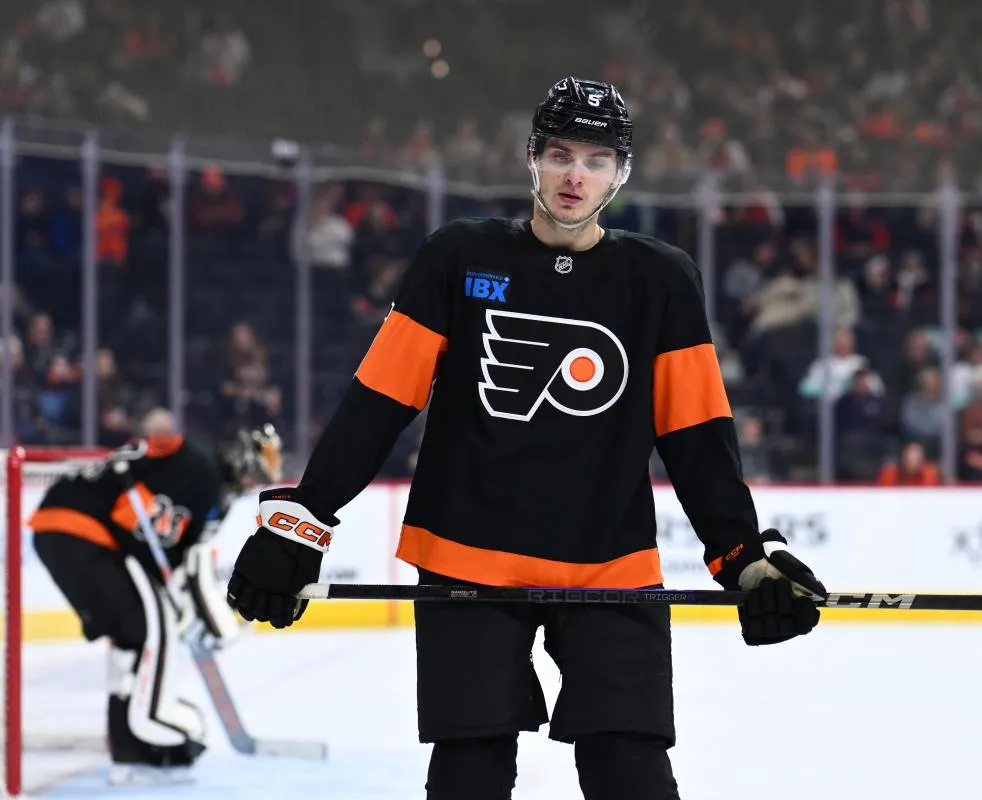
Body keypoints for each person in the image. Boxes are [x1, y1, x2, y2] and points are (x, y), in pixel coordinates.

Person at [226, 77, 825, 800]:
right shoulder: (459, 258)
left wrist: (742, 553)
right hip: (467, 557)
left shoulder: (660, 281)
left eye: (598, 159)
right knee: (469, 774)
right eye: (561, 154)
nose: (577, 175)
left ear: (622, 174)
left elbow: (695, 432)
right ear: (532, 158)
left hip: (609, 565)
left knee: (631, 772)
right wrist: (308, 514)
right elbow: (381, 399)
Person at [29, 410, 282, 785]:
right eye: (259, 466)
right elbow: (153, 447)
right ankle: (141, 735)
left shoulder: (214, 496)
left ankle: (128, 743)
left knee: (133, 635)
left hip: (78, 532)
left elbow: (180, 556)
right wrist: (218, 624)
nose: (256, 479)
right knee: (145, 629)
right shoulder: (196, 465)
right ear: (241, 455)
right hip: (80, 528)